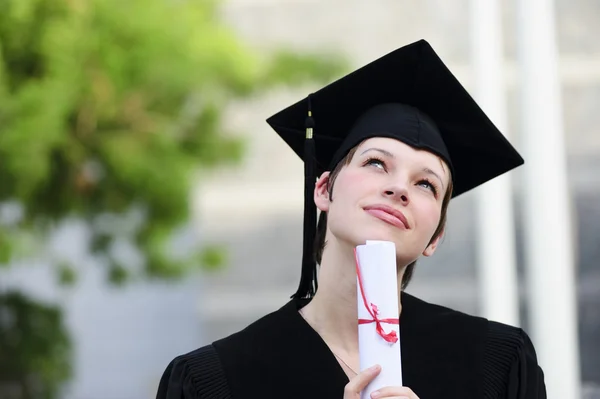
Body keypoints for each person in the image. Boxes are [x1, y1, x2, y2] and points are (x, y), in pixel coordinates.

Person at [156, 39, 546, 399]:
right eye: (376, 163)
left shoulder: (496, 365)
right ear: (324, 189)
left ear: (436, 237)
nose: (399, 188)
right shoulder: (214, 381)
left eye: (426, 184)